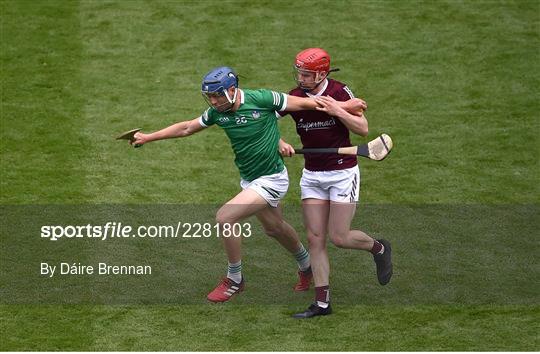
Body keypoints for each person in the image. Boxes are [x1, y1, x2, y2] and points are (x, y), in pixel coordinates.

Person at [131, 66, 367, 303]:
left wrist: (345, 107)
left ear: (233, 90)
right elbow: (187, 127)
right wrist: (147, 137)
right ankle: (306, 265)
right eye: (209, 96)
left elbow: (306, 104)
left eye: (217, 95)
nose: (213, 101)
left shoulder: (263, 98)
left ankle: (235, 279)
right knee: (275, 228)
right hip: (250, 179)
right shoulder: (217, 112)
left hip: (272, 179)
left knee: (226, 218)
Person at [277, 48, 393, 318]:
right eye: (300, 73)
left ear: (321, 73)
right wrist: (278, 141)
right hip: (312, 175)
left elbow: (362, 129)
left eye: (306, 74)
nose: (301, 78)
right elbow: (268, 119)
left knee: (339, 237)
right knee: (315, 239)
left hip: (343, 172)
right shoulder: (295, 96)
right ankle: (322, 303)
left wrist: (336, 109)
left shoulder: (340, 92)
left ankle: (380, 248)